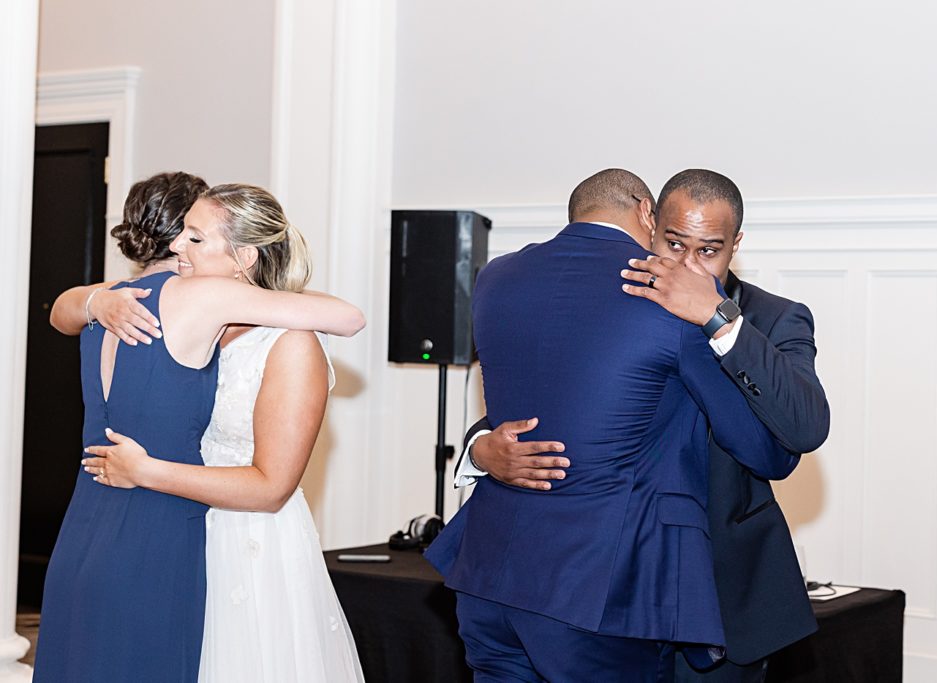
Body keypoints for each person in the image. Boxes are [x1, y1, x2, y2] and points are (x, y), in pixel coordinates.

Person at [425, 169, 797, 682]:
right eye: (671, 239)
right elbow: (766, 451)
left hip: (490, 576)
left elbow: (552, 394)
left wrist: (485, 445)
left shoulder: (496, 278)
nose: (685, 262)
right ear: (648, 213)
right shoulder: (663, 299)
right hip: (598, 591)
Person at [35, 174, 365, 683]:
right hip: (183, 529)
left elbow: (272, 486)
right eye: (180, 232)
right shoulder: (174, 305)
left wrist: (147, 471)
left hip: (246, 539)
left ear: (243, 257)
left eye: (195, 237)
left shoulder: (281, 336)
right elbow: (64, 309)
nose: (176, 246)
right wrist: (93, 301)